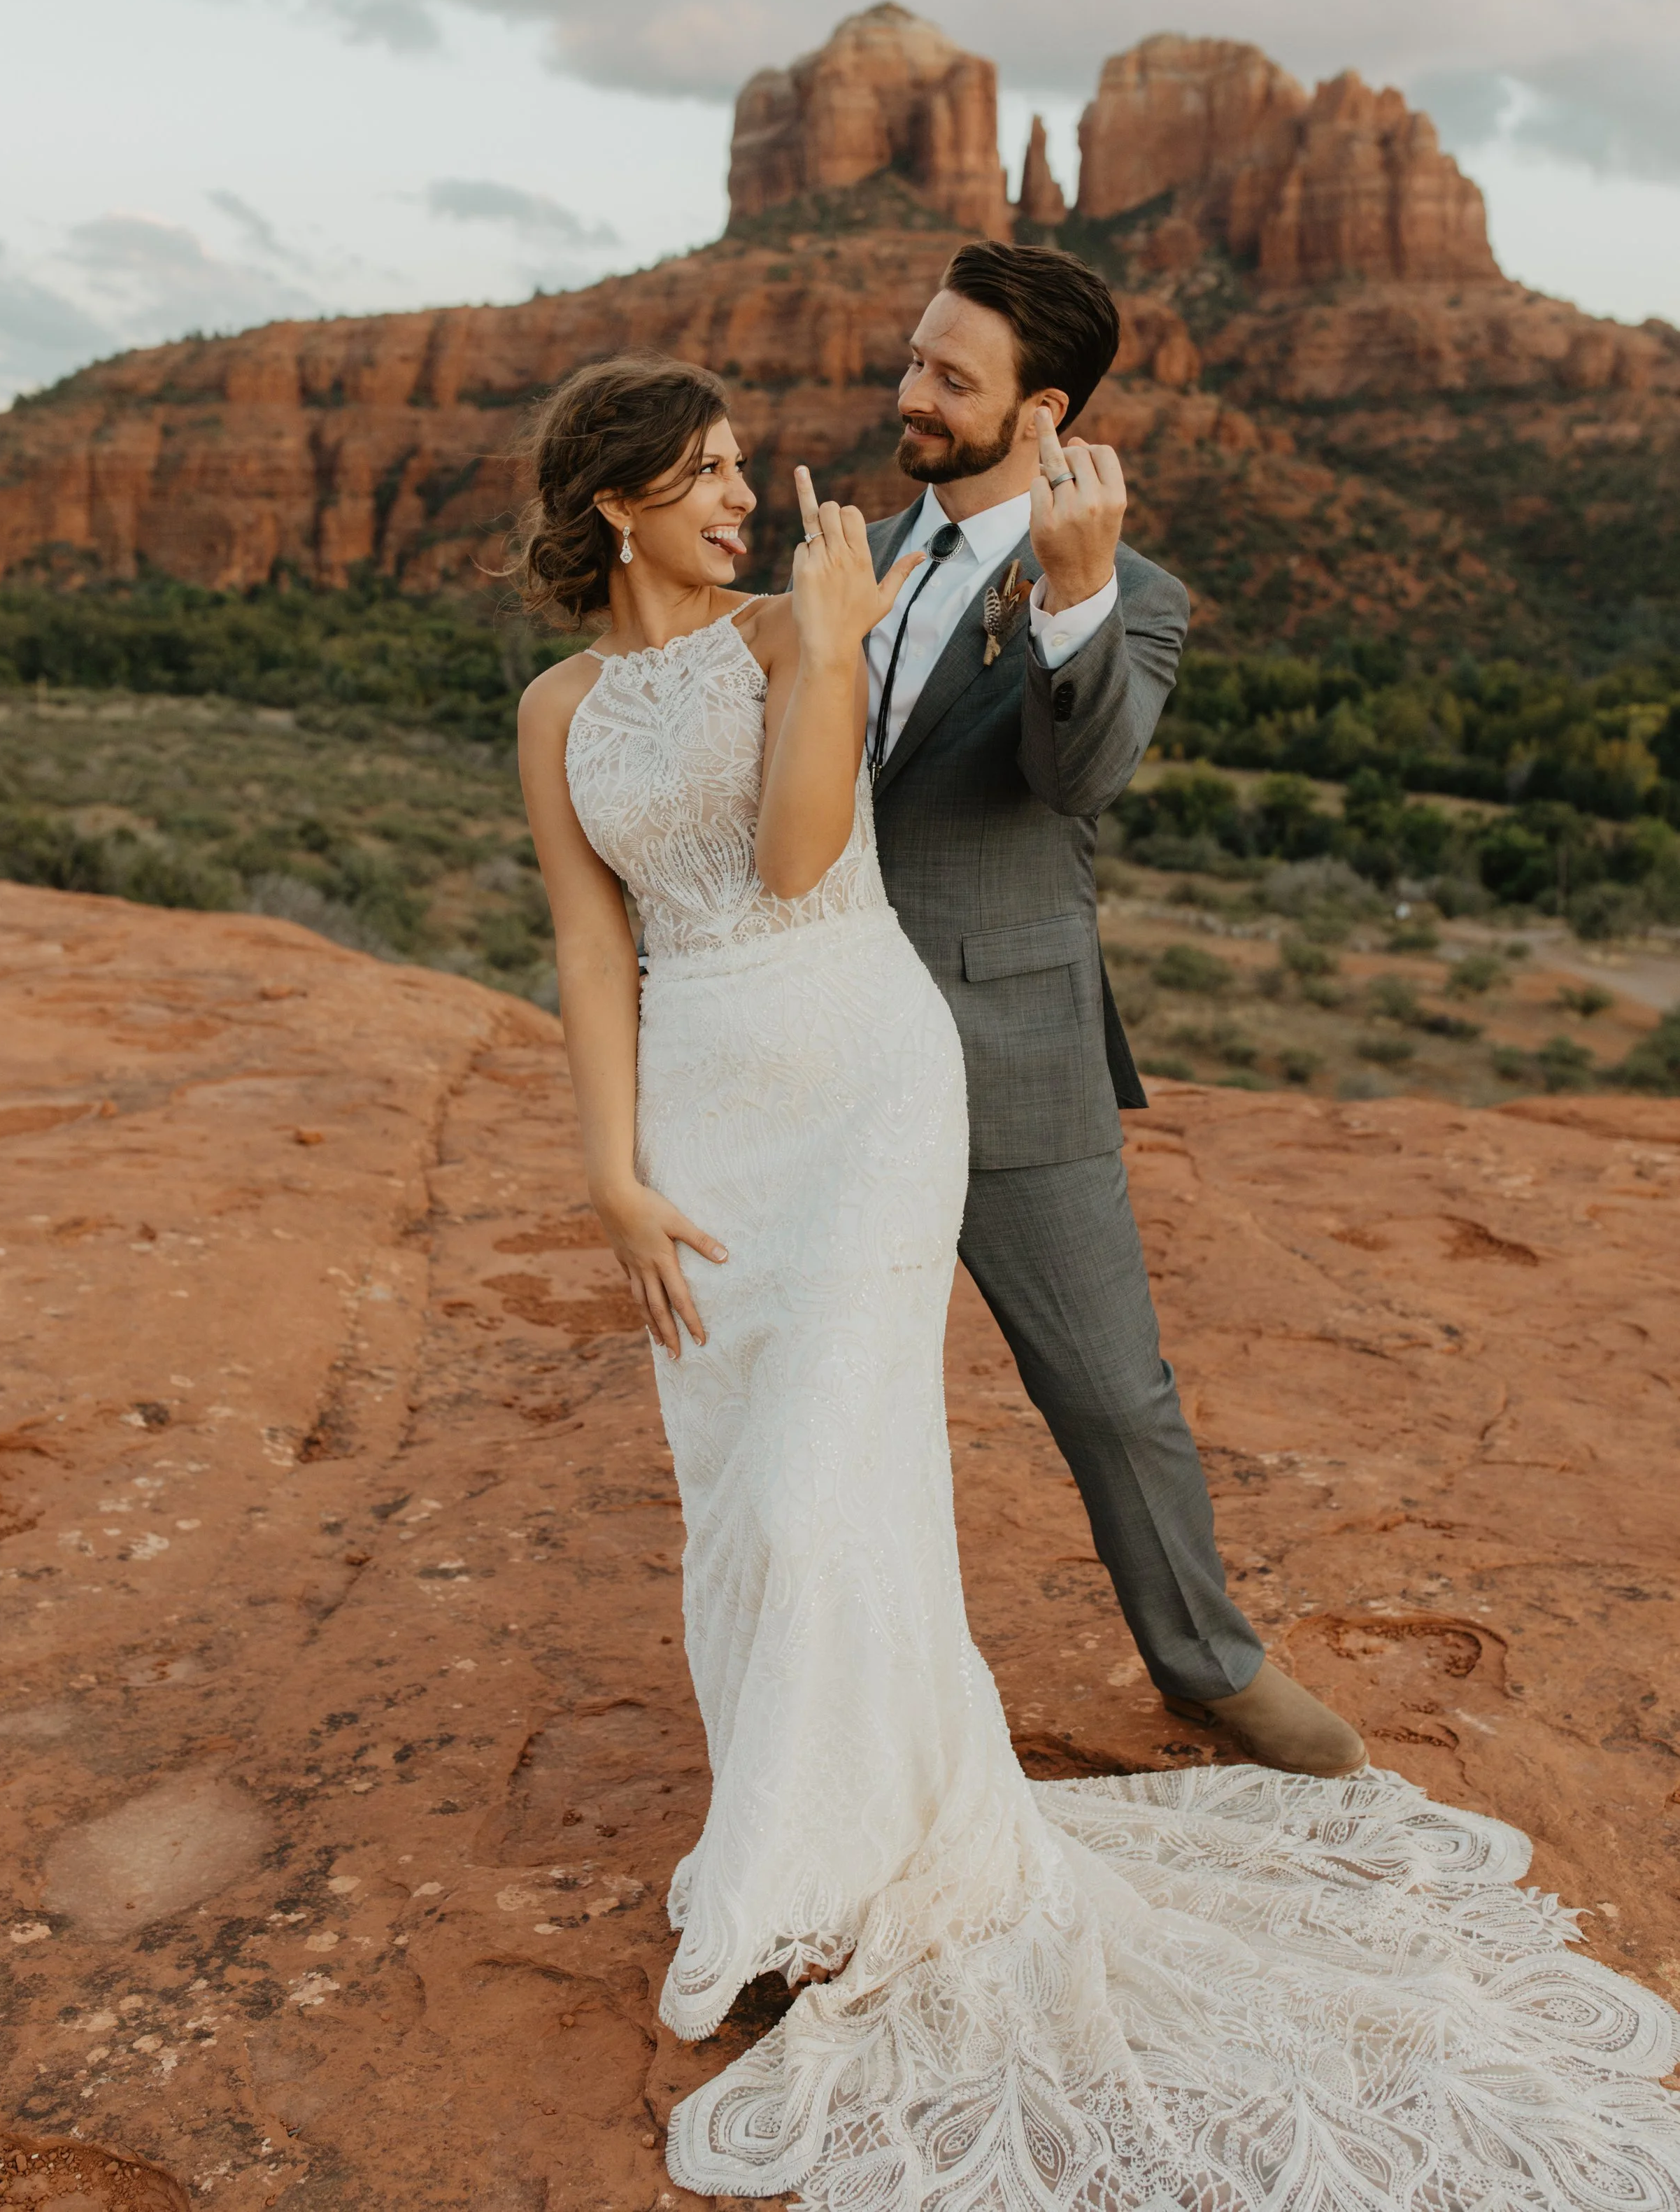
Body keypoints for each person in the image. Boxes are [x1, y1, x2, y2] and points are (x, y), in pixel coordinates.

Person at [517, 350, 1680, 2209]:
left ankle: (826, 1886)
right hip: (705, 1119)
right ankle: (809, 1842)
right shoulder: (555, 702)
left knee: (826, 1491)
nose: (747, 494)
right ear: (615, 504)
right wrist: (610, 1171)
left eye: (743, 467)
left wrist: (821, 646)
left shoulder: (775, 639)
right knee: (740, 1508)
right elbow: (591, 944)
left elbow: (801, 853)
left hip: (861, 1081)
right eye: (710, 472)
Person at [860, 239, 1358, 1774]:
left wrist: (1068, 601)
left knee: (1110, 1391)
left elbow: (1077, 781)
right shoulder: (856, 550)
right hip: (827, 1046)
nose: (913, 391)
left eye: (953, 376)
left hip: (1009, 1049)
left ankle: (1204, 1663)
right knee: (834, 1398)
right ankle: (857, 1695)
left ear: (1042, 408)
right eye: (917, 358)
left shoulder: (1133, 597)